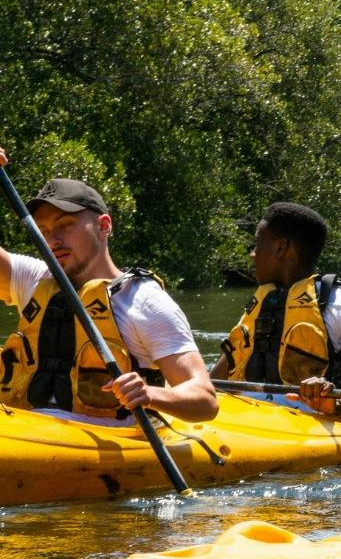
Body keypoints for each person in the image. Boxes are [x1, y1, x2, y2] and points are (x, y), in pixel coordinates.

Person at [0, 150, 218, 423]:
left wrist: (150, 394)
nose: (52, 240)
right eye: (43, 231)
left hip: (106, 446)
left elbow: (206, 399)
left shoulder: (144, 302)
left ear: (104, 226)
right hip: (27, 433)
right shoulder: (33, 279)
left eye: (65, 225)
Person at [213, 202, 341, 416]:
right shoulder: (258, 308)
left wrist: (336, 405)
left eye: (258, 244)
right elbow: (212, 383)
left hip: (310, 425)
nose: (252, 254)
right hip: (248, 421)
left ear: (280, 247)